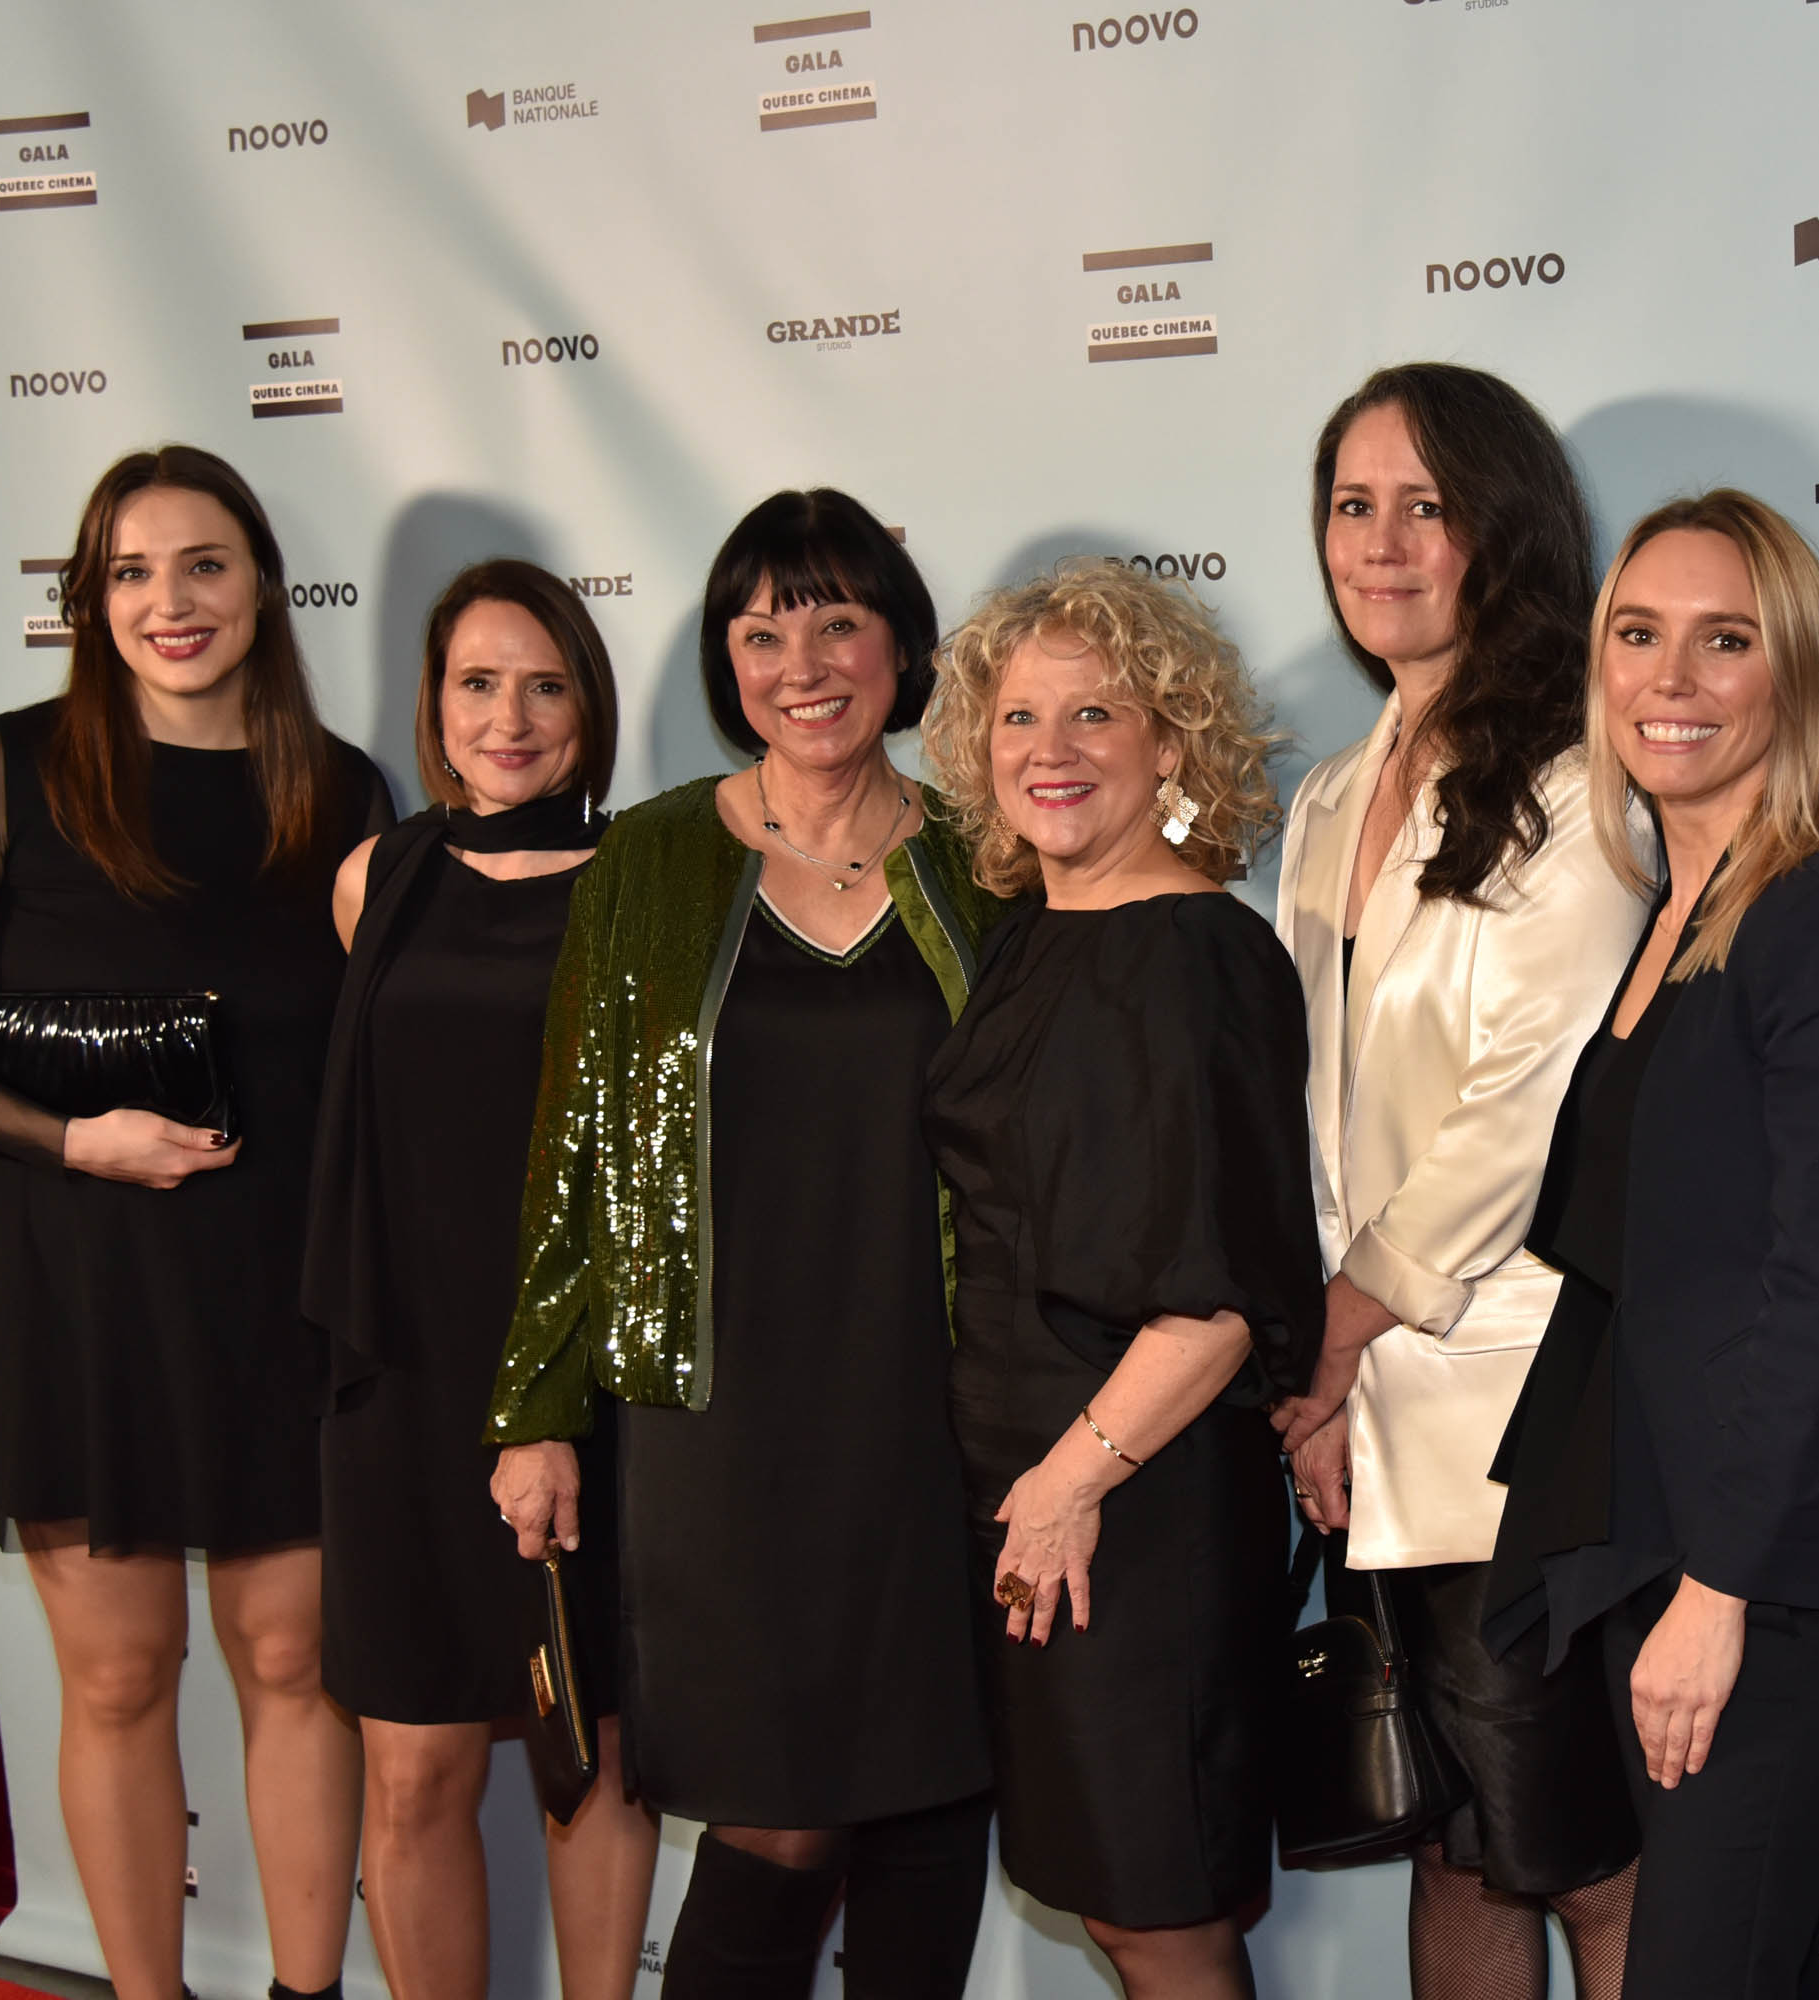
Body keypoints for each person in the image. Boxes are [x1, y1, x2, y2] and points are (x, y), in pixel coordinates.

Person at [0, 445, 388, 2000]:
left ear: (261, 583)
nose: (169, 602)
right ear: (89, 603)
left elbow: (379, 1053)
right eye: (130, 574)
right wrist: (76, 1137)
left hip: (281, 1282)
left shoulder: (339, 790)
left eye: (202, 564)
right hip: (69, 1281)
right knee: (125, 1676)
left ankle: (303, 1993)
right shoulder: (4, 771)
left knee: (296, 1664)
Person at [484, 490, 1005, 2000]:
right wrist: (537, 1410)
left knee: (929, 1794)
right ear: (726, 662)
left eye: (838, 619)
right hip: (717, 1430)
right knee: (777, 1822)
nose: (803, 660)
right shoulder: (649, 861)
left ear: (902, 647)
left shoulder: (990, 857)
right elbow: (573, 1153)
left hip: (942, 1417)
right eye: (763, 629)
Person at [1482, 493, 1819, 1998]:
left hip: (1764, 1577)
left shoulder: (1817, 923)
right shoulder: (1673, 915)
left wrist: (1722, 1591)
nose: (1671, 680)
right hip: (1655, 1551)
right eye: (1640, 636)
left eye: (1723, 641)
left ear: (1791, 677)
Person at [1269, 362, 1646, 1996]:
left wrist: (1343, 1332)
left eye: (1430, 505)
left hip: (1520, 1419)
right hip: (1360, 1412)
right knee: (1450, 1838)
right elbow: (1304, 1104)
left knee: (1584, 1859)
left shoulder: (1585, 772)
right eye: (1355, 505)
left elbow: (1529, 1103)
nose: (1384, 542)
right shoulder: (1331, 794)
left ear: (1509, 528)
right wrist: (1316, 1368)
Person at [919, 561, 1325, 2000]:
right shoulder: (1030, 939)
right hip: (1030, 1486)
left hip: (1131, 1504)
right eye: (1020, 717)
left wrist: (1070, 1481)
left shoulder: (1201, 955)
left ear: (1172, 740)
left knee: (1161, 1911)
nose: (1050, 749)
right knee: (1108, 1903)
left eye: (1096, 712)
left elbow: (1218, 1295)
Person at [301, 560, 657, 2000]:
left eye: (544, 683)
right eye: (475, 683)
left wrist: (565, 1396)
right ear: (433, 708)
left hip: (584, 1382)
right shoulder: (372, 877)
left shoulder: (650, 879)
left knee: (592, 1755)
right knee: (413, 1765)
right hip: (401, 1380)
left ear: (591, 703)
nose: (508, 717)